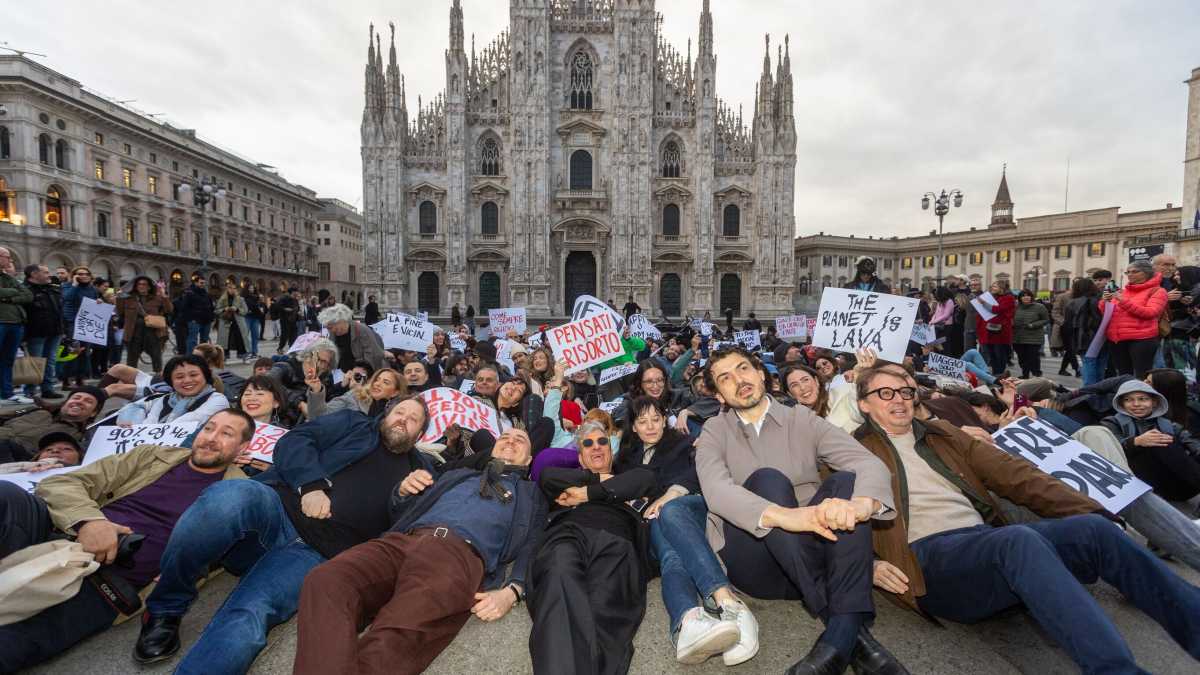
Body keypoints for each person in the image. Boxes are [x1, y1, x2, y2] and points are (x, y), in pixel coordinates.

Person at [852, 364, 1200, 674]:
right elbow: (832, 519)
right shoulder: (849, 453)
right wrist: (870, 564)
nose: (899, 400)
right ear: (863, 403)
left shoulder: (944, 433)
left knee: (1094, 529)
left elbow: (1018, 476)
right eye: (885, 393)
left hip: (984, 544)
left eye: (906, 391)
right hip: (927, 562)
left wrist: (1096, 510)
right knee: (1018, 539)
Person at [133, 397, 433, 671]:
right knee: (230, 496)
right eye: (399, 412)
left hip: (317, 554)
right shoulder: (353, 423)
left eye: (413, 419)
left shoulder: (422, 471)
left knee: (251, 614)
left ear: (420, 434)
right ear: (385, 415)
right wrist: (311, 485)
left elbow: (415, 527)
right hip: (276, 509)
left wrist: (406, 496)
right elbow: (296, 439)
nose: (402, 419)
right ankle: (165, 607)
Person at [694, 346, 903, 674]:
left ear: (760, 373)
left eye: (743, 369)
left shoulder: (801, 419)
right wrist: (786, 516)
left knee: (847, 481)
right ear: (719, 395)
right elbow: (716, 490)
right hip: (755, 559)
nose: (739, 380)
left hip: (813, 550)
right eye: (725, 378)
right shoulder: (713, 431)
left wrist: (862, 506)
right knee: (768, 480)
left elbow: (866, 462)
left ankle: (838, 641)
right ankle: (850, 632)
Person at [0, 409, 252, 671]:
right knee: (6, 494)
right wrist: (89, 521)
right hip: (58, 531)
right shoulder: (150, 455)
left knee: (10, 645)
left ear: (243, 447)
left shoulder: (241, 494)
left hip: (109, 584)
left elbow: (225, 552)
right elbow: (62, 483)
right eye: (209, 428)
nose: (211, 438)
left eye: (226, 433)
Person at [292, 428, 546, 674]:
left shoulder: (532, 494)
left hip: (457, 557)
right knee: (326, 580)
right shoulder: (457, 474)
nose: (510, 441)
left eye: (520, 440)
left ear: (529, 460)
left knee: (395, 636)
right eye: (505, 437)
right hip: (402, 541)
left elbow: (534, 542)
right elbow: (400, 512)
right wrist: (402, 492)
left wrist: (513, 591)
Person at [620, 396, 760, 665]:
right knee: (671, 556)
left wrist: (671, 494)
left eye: (656, 419)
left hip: (690, 506)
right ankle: (688, 622)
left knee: (670, 510)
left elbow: (703, 470)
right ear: (634, 427)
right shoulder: (625, 458)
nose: (650, 426)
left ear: (665, 420)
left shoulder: (685, 443)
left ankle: (727, 602)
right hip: (654, 520)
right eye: (643, 421)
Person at [530, 420, 660, 674]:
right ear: (580, 458)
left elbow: (647, 479)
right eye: (588, 444)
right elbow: (546, 475)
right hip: (568, 534)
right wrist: (596, 480)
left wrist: (586, 493)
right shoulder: (567, 479)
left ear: (611, 451)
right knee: (558, 580)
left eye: (602, 441)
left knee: (604, 612)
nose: (596, 446)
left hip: (617, 541)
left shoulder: (629, 476)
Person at [1100, 379, 1200, 503]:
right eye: (1128, 400)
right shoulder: (1111, 422)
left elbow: (1192, 442)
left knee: (1164, 440)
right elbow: (1108, 450)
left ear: (1154, 402)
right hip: (1138, 484)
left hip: (1180, 484)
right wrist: (1136, 442)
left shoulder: (1169, 425)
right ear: (1121, 404)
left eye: (1143, 399)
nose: (1136, 404)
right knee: (1158, 441)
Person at [113, 354, 230, 428]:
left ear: (205, 376)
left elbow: (188, 423)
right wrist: (131, 427)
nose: (187, 380)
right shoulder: (165, 399)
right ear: (171, 381)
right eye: (179, 377)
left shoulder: (217, 399)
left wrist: (140, 430)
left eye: (193, 375)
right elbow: (149, 424)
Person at [0, 386, 105, 463]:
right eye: (76, 398)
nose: (79, 402)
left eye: (88, 401)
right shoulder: (35, 410)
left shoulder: (81, 436)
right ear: (65, 402)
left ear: (93, 413)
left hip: (15, 460)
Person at [1102, 259, 1168, 378]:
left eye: (1134, 271)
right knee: (1123, 376)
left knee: (1142, 375)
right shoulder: (1123, 291)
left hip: (1141, 339)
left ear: (1147, 273)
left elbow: (1151, 312)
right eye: (1128, 272)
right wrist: (1104, 302)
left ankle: (1142, 391)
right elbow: (1108, 313)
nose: (1130, 274)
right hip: (1117, 339)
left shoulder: (1158, 291)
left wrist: (1123, 301)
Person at [21, 264, 64, 399]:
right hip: (35, 332)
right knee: (34, 362)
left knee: (50, 361)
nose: (49, 275)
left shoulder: (53, 289)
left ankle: (47, 389)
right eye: (45, 272)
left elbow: (60, 309)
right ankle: (30, 391)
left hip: (55, 330)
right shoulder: (25, 290)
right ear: (34, 274)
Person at [115, 275, 172, 375]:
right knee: (132, 359)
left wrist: (164, 296)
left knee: (156, 356)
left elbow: (169, 310)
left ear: (149, 287)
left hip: (153, 332)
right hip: (133, 332)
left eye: (144, 284)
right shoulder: (128, 299)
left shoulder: (157, 298)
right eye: (139, 284)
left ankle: (158, 377)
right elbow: (119, 312)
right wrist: (118, 298)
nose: (141, 286)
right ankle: (131, 378)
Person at [308, 367, 405, 420]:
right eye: (377, 379)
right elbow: (318, 415)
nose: (377, 384)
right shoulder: (355, 396)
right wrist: (317, 391)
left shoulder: (395, 414)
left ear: (395, 392)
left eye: (385, 382)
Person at [0, 246, 33, 403]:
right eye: (7, 256)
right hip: (1, 322)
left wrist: (7, 296)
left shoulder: (8, 278)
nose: (10, 260)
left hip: (15, 323)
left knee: (8, 360)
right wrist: (13, 292)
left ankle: (7, 394)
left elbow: (28, 295)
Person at [318, 302, 386, 371]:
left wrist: (360, 371)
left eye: (330, 327)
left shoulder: (362, 330)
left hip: (363, 372)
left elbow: (373, 356)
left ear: (340, 321)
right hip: (344, 372)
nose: (330, 330)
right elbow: (332, 355)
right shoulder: (333, 334)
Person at [976, 279, 1016, 376]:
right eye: (992, 286)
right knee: (992, 354)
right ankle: (995, 373)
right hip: (989, 330)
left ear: (1002, 288)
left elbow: (997, 309)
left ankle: (1000, 373)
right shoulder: (992, 297)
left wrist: (984, 303)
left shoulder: (1009, 298)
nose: (992, 288)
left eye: (995, 286)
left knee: (1000, 353)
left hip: (1000, 331)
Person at [1012, 289, 1050, 378]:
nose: (1026, 297)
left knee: (1033, 357)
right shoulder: (1015, 307)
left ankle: (1036, 373)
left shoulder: (1040, 307)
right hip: (1018, 337)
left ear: (1031, 297)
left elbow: (1046, 319)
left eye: (1028, 295)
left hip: (1034, 337)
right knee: (1021, 357)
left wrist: (1033, 325)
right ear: (1020, 298)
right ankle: (1025, 374)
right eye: (1023, 296)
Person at [175, 276, 214, 354]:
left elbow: (211, 306)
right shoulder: (190, 293)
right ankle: (191, 356)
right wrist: (191, 318)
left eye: (204, 283)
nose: (203, 285)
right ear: (196, 283)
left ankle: (202, 356)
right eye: (201, 283)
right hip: (194, 320)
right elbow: (184, 307)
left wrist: (211, 317)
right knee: (192, 340)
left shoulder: (206, 293)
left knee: (204, 340)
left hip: (206, 320)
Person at [215, 281, 250, 362]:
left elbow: (245, 311)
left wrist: (237, 309)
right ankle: (224, 357)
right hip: (225, 322)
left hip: (238, 323)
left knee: (241, 339)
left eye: (234, 288)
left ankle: (244, 356)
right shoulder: (222, 299)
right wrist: (224, 309)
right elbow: (216, 310)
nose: (232, 290)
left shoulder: (240, 299)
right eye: (230, 288)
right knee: (225, 340)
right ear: (227, 289)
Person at [274, 287, 300, 351]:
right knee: (285, 335)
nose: (297, 293)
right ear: (293, 292)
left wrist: (298, 312)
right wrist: (284, 309)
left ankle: (292, 349)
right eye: (296, 291)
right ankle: (280, 348)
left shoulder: (295, 300)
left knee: (294, 335)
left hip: (293, 320)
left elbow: (297, 308)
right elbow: (277, 306)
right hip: (285, 320)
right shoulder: (284, 298)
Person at [243, 285, 265, 359]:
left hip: (255, 318)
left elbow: (261, 305)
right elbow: (245, 306)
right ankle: (247, 352)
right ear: (247, 289)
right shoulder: (245, 297)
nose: (251, 289)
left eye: (252, 288)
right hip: (247, 317)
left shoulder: (257, 297)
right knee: (245, 335)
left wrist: (261, 309)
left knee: (255, 335)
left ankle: (254, 352)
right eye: (250, 288)